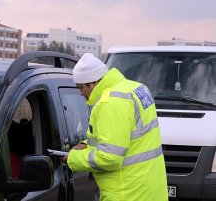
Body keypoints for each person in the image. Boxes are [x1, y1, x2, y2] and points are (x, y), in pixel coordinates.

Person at [61, 53, 168, 201]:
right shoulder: (136, 88)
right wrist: (86, 145)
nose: (80, 93)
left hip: (127, 192)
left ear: (94, 82)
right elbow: (125, 137)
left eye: (82, 87)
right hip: (149, 188)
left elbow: (109, 158)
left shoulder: (110, 102)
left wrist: (73, 158)